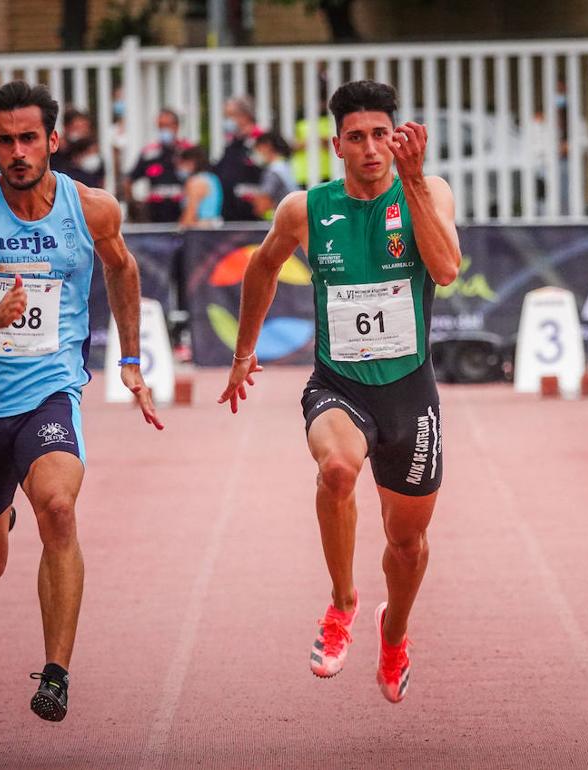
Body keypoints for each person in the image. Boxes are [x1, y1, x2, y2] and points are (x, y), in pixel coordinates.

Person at [0, 80, 164, 722]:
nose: (19, 151)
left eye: (31, 138)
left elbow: (123, 269)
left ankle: (55, 672)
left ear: (53, 139)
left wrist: (131, 361)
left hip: (50, 392)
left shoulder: (92, 209)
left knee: (58, 507)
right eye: (7, 140)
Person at [218, 80, 460, 703]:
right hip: (339, 384)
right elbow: (262, 267)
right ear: (337, 145)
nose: (372, 148)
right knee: (337, 470)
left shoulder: (427, 193)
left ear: (397, 138)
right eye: (357, 138)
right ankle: (342, 604)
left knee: (406, 544)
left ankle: (395, 633)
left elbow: (447, 270)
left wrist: (414, 183)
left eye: (382, 134)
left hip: (410, 394)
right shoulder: (304, 208)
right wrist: (244, 353)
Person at [124, 108, 193, 223]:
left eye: (167, 125)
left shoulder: (187, 150)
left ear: (176, 126)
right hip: (155, 212)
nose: (163, 130)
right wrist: (133, 205)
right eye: (160, 126)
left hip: (182, 210)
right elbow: (129, 180)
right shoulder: (149, 153)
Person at [213, 95, 265, 222]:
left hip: (253, 217)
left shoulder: (260, 141)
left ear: (245, 116)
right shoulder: (233, 143)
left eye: (230, 115)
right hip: (230, 214)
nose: (227, 120)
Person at [246, 131, 299, 220]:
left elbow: (262, 206)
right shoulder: (288, 166)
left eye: (257, 148)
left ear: (266, 146)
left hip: (285, 221)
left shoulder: (273, 171)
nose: (255, 153)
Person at [176, 145, 223, 228]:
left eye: (181, 163)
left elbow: (190, 214)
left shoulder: (196, 182)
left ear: (191, 162)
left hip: (200, 228)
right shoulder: (212, 178)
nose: (179, 167)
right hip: (213, 227)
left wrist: (180, 229)